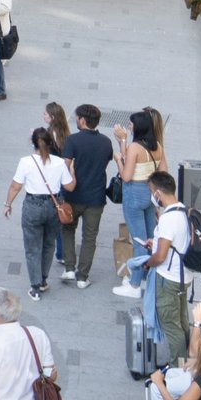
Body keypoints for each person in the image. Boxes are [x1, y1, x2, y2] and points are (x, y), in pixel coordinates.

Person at [2, 127, 74, 300]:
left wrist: (8, 204)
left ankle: (35, 287)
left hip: (33, 205)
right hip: (53, 206)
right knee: (49, 244)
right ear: (51, 143)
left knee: (32, 247)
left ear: (33, 143)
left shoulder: (26, 162)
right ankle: (43, 280)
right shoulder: (59, 162)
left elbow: (15, 186)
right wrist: (72, 169)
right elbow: (69, 186)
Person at [113, 108, 171, 298]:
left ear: (137, 127)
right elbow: (164, 171)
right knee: (149, 239)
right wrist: (123, 143)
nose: (129, 127)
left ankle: (135, 284)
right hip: (150, 194)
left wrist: (117, 161)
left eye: (130, 125)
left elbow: (127, 176)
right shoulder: (158, 147)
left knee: (139, 239)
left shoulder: (135, 148)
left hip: (134, 194)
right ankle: (145, 277)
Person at [60, 104, 116, 289]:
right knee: (89, 238)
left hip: (72, 195)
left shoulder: (73, 140)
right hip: (96, 197)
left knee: (68, 230)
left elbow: (64, 166)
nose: (76, 120)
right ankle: (82, 277)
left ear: (82, 120)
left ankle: (69, 267)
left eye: (77, 117)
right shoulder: (106, 142)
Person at [144, 169, 193, 367]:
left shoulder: (168, 219)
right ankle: (187, 361)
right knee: (181, 322)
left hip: (168, 279)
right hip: (183, 276)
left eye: (151, 191)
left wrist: (148, 262)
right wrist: (154, 243)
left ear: (158, 194)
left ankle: (177, 369)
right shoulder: (184, 210)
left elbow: (161, 256)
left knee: (171, 325)